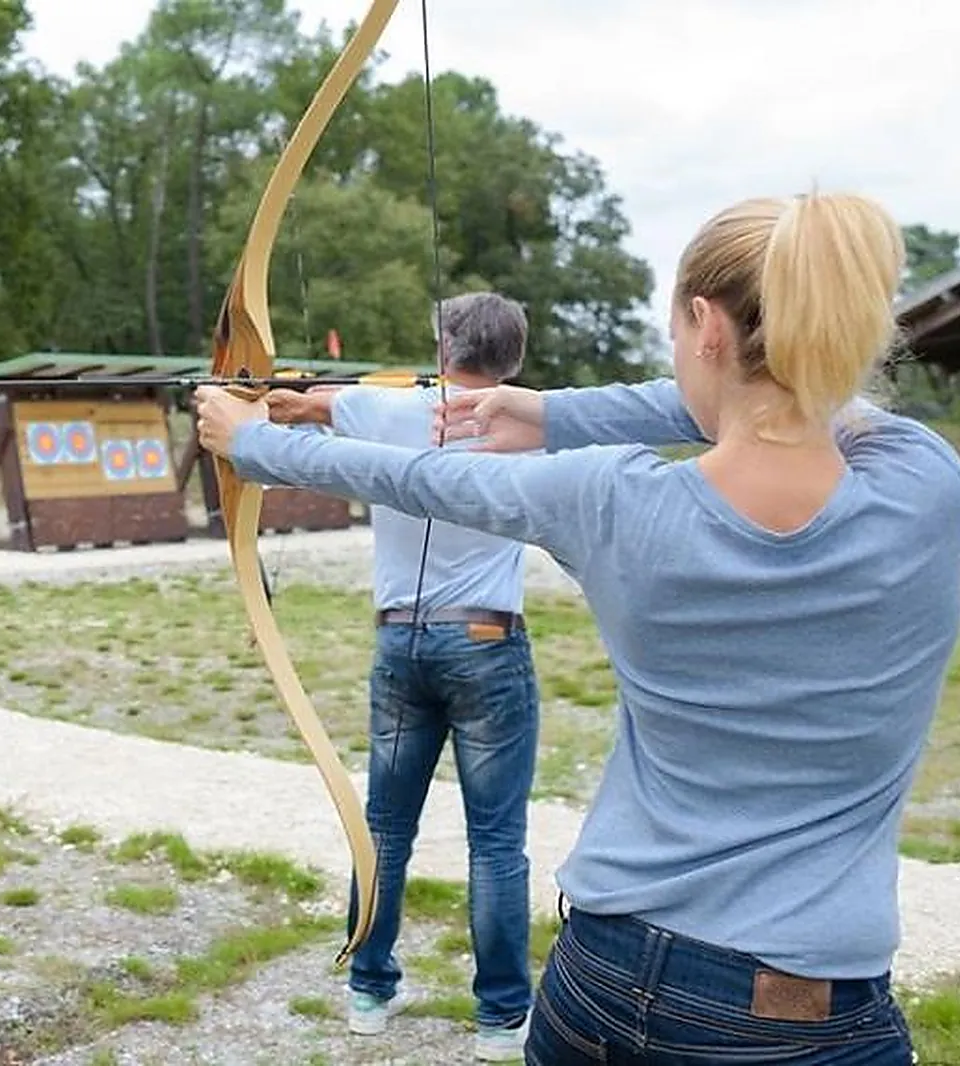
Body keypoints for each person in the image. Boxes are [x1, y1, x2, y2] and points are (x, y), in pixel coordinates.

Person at [197, 191, 960, 1065]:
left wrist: (253, 442)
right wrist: (551, 412)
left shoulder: (610, 499)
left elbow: (421, 478)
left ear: (706, 325)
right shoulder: (925, 483)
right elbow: (799, 404)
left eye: (680, 333)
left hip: (603, 978)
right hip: (803, 1005)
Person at [263, 291, 538, 1059]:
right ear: (512, 359)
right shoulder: (530, 423)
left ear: (445, 346)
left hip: (400, 647)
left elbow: (297, 409)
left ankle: (368, 993)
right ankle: (499, 1019)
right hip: (486, 641)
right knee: (496, 841)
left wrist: (261, 389)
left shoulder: (385, 411)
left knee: (384, 828)